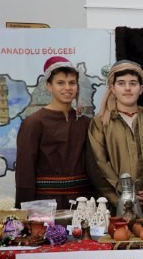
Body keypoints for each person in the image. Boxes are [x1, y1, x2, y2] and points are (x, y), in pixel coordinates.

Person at [87, 60, 143, 214]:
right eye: (121, 83)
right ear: (112, 88)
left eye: (133, 83)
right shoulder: (101, 122)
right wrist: (124, 198)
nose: (128, 88)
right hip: (115, 209)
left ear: (141, 89)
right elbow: (98, 165)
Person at [15, 56, 93, 207]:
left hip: (82, 202)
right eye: (60, 83)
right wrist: (25, 210)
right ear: (49, 86)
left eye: (72, 83)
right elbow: (25, 170)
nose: (67, 88)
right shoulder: (34, 123)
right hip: (46, 203)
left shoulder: (85, 122)